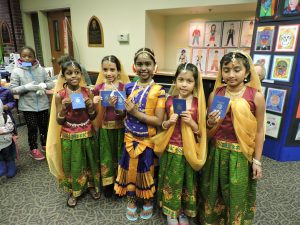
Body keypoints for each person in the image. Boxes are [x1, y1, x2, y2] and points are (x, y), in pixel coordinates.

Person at [200, 51, 265, 225]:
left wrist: (257, 161)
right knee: (213, 191)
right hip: (217, 152)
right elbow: (209, 128)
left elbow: (259, 131)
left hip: (240, 155)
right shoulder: (217, 94)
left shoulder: (256, 96)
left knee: (236, 193)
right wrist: (210, 121)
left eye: (237, 69)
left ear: (247, 72)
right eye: (226, 70)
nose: (231, 75)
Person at [114, 48, 166, 221]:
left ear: (154, 67)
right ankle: (131, 200)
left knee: (147, 170)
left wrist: (136, 113)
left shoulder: (159, 90)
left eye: (147, 64)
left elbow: (158, 121)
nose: (144, 68)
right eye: (140, 64)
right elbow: (123, 114)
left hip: (147, 139)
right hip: (129, 136)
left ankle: (147, 200)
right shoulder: (128, 87)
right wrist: (117, 107)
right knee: (129, 170)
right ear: (134, 67)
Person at [152, 63, 207, 225]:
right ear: (175, 80)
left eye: (189, 81)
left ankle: (182, 211)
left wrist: (192, 123)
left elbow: (201, 132)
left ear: (195, 83)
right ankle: (171, 211)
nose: (184, 84)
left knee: (186, 181)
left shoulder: (199, 103)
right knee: (171, 180)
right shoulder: (170, 101)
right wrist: (169, 122)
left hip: (188, 152)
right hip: (171, 148)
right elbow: (161, 126)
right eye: (180, 79)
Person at [47, 60, 100, 207]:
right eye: (69, 73)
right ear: (63, 76)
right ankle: (73, 191)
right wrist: (64, 108)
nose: (73, 76)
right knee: (73, 164)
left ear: (81, 74)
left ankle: (90, 185)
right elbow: (58, 121)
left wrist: (90, 106)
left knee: (90, 161)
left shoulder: (87, 91)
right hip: (69, 135)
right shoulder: (60, 95)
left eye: (76, 72)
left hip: (87, 132)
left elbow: (93, 116)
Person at [93, 55, 130, 198]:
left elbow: (126, 112)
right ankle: (108, 183)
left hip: (120, 128)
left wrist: (117, 107)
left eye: (112, 69)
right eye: (105, 70)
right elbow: (93, 114)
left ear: (118, 71)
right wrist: (94, 101)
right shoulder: (98, 88)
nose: (109, 73)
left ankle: (121, 182)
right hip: (105, 129)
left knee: (120, 154)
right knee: (106, 156)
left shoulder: (124, 88)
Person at [9, 46, 54, 160]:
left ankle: (45, 144)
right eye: (24, 56)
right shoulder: (16, 71)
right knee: (32, 128)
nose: (27, 58)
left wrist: (44, 85)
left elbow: (50, 83)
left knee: (44, 127)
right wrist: (26, 87)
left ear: (34, 57)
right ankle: (33, 148)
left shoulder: (41, 69)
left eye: (30, 56)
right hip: (28, 106)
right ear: (20, 57)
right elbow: (13, 89)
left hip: (43, 104)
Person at [0, 100, 17, 178]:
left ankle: (11, 165)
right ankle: (2, 165)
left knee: (8, 155)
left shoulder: (5, 116)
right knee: (1, 156)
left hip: (6, 141)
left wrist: (2, 130)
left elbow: (10, 127)